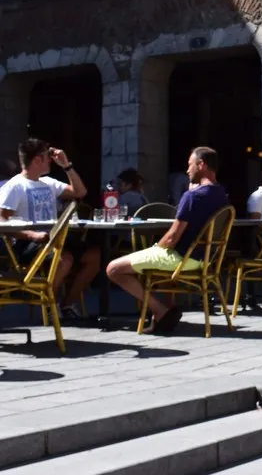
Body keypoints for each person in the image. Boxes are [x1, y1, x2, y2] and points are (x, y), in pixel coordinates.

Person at [106, 147, 229, 334]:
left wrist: (156, 247)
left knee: (113, 269)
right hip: (203, 259)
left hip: (181, 258)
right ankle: (166, 309)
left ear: (201, 165)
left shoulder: (193, 196)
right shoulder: (221, 194)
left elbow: (172, 238)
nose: (187, 170)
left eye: (190, 165)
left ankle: (160, 310)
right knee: (153, 261)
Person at [0, 138, 98, 319]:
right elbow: (2, 221)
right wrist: (32, 235)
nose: (51, 161)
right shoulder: (14, 186)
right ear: (37, 160)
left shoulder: (49, 182)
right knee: (64, 259)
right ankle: (49, 304)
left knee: (94, 256)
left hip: (54, 239)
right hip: (27, 243)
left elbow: (80, 192)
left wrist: (66, 165)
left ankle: (66, 304)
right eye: (48, 157)